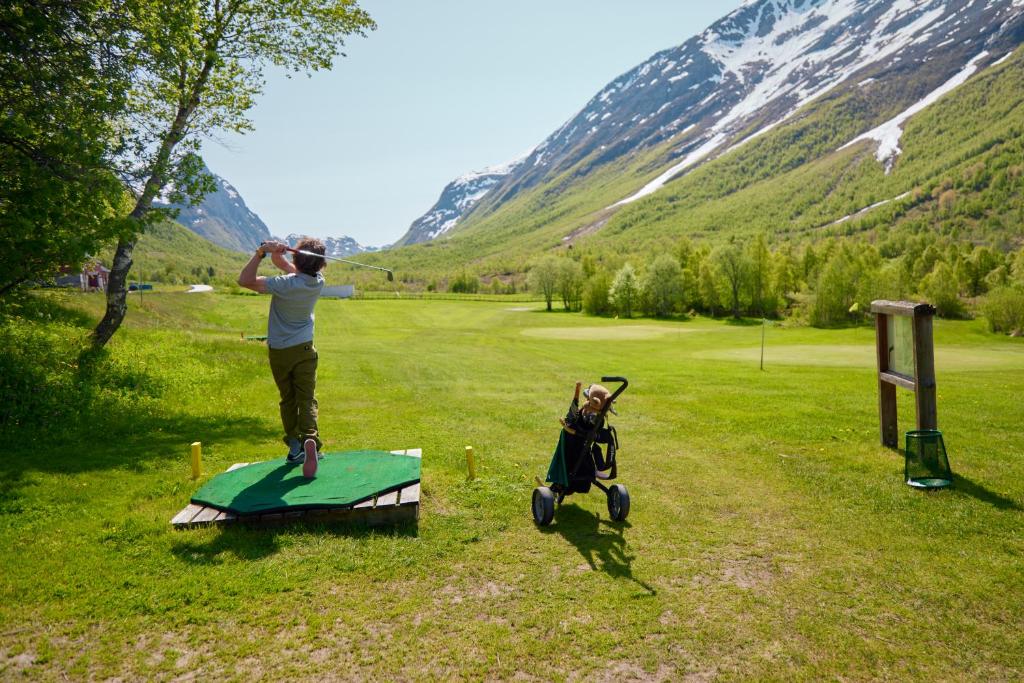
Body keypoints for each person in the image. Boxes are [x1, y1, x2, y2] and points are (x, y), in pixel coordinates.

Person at [237, 238, 326, 477]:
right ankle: (310, 441)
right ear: (320, 264)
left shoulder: (283, 285)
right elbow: (290, 268)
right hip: (305, 349)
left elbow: (244, 280)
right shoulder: (317, 281)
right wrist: (279, 254)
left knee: (288, 399)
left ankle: (295, 446)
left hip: (279, 351)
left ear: (297, 258)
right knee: (306, 399)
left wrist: (260, 253)